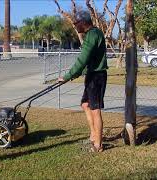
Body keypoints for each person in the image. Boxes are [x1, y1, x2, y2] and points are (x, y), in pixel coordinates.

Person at [58, 10, 108, 152]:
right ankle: (93, 135)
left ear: (83, 22)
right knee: (85, 104)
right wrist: (77, 74)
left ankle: (98, 144)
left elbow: (83, 59)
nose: (75, 26)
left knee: (95, 109)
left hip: (96, 77)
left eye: (76, 23)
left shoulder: (92, 35)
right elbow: (88, 60)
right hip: (92, 75)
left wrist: (68, 76)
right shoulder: (92, 34)